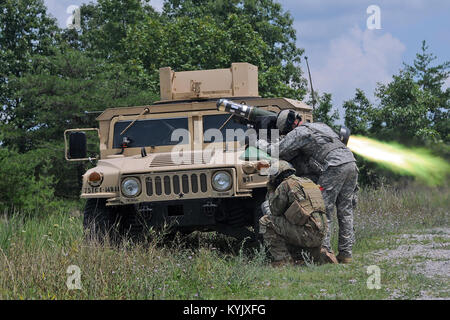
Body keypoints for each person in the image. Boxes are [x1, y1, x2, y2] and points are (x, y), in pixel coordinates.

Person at [254, 110, 358, 264]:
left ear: (288, 126)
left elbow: (278, 150)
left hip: (334, 165)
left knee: (323, 209)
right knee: (345, 211)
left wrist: (259, 143)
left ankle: (325, 251)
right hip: (351, 162)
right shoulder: (321, 126)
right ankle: (346, 254)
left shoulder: (299, 132)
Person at [259, 160, 338, 266]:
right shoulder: (308, 182)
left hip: (307, 233)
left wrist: (271, 191)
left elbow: (275, 211)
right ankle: (320, 254)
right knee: (294, 224)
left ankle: (283, 260)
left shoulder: (285, 185)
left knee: (266, 221)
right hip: (321, 234)